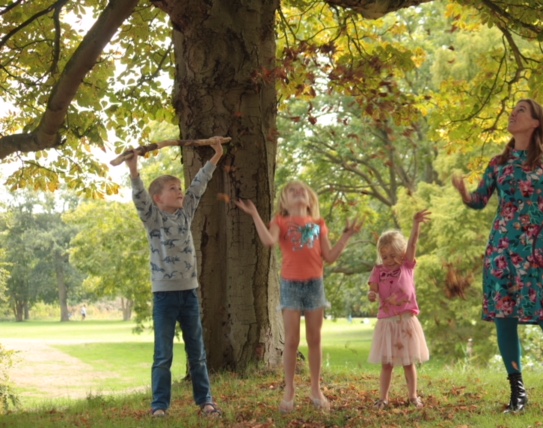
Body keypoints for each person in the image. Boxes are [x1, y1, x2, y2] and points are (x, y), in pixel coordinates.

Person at [451, 99, 543, 413]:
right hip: (502, 249)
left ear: (536, 122)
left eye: (520, 110)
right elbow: (481, 200)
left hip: (539, 248)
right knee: (504, 317)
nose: (512, 113)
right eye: (512, 110)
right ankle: (517, 393)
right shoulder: (499, 162)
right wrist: (465, 194)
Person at [124, 136, 230, 419]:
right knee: (163, 356)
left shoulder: (185, 214)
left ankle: (206, 402)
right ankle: (159, 407)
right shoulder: (154, 219)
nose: (180, 192)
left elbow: (199, 184)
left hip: (190, 295)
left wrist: (216, 154)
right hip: (165, 296)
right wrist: (134, 170)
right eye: (173, 189)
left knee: (197, 353)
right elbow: (140, 199)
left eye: (179, 188)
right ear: (158, 198)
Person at [235, 181, 362, 413]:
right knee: (292, 340)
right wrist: (254, 213)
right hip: (291, 286)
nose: (298, 192)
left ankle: (315, 388)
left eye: (302, 190)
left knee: (315, 339)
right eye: (292, 191)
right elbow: (269, 241)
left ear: (310, 199)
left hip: (315, 285)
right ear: (284, 201)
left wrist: (346, 237)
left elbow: (330, 256)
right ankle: (289, 389)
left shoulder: (318, 224)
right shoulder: (280, 222)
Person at [367, 209, 431, 410]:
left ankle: (413, 396)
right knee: (387, 363)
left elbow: (412, 243)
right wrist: (372, 296)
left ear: (400, 253)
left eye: (392, 255)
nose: (387, 260)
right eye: (384, 256)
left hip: (406, 321)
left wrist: (416, 224)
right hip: (387, 322)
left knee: (408, 362)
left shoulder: (406, 266)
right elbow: (373, 292)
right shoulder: (378, 271)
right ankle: (383, 399)